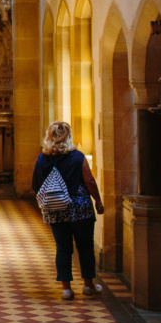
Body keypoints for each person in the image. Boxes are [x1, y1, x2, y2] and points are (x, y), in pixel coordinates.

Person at [31, 121, 105, 300]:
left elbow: (35, 184)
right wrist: (98, 201)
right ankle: (88, 286)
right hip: (80, 209)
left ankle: (66, 288)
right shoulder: (78, 157)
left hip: (55, 210)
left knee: (63, 249)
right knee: (86, 247)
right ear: (68, 136)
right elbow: (89, 181)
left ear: (49, 136)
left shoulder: (42, 159)